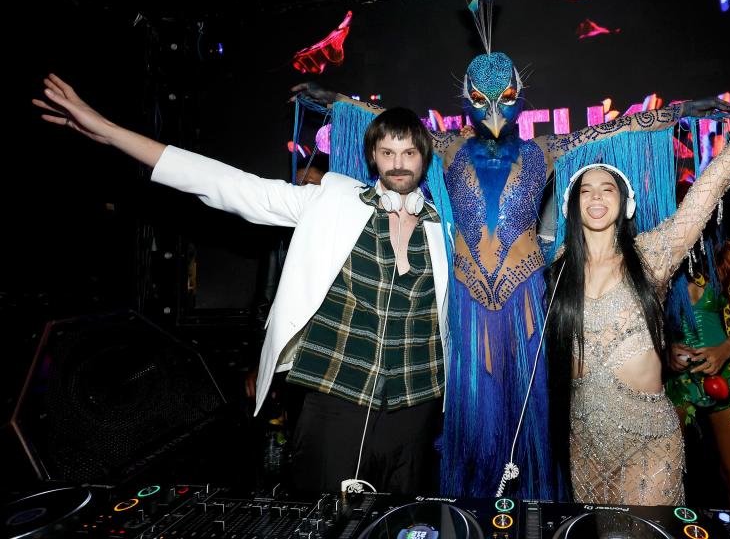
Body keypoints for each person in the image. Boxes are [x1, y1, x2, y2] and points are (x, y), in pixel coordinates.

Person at [292, 0, 730, 498]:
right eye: (482, 100)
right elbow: (389, 125)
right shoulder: (447, 145)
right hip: (466, 298)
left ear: (520, 94)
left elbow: (617, 129)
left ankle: (530, 513)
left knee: (527, 416)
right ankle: (470, 513)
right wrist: (339, 105)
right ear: (466, 97)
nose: (495, 113)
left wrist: (676, 113)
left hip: (526, 294)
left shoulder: (543, 150)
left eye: (505, 98)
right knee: (473, 418)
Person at [33, 76, 450, 498]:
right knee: (323, 520)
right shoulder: (331, 201)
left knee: (407, 523)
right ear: (373, 158)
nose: (398, 164)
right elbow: (228, 185)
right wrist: (108, 130)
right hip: (336, 399)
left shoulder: (444, 230)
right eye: (388, 152)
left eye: (409, 152)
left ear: (424, 157)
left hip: (416, 405)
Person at [545, 51, 730, 505]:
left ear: (624, 202)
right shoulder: (559, 267)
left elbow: (722, 170)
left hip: (649, 441)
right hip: (585, 442)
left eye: (607, 187)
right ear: (572, 204)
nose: (595, 196)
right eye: (585, 189)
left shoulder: (654, 254)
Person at [665, 217, 730, 509]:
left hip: (727, 373)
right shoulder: (658, 257)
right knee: (666, 474)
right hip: (676, 379)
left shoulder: (726, 258)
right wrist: (666, 348)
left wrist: (725, 349)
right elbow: (643, 319)